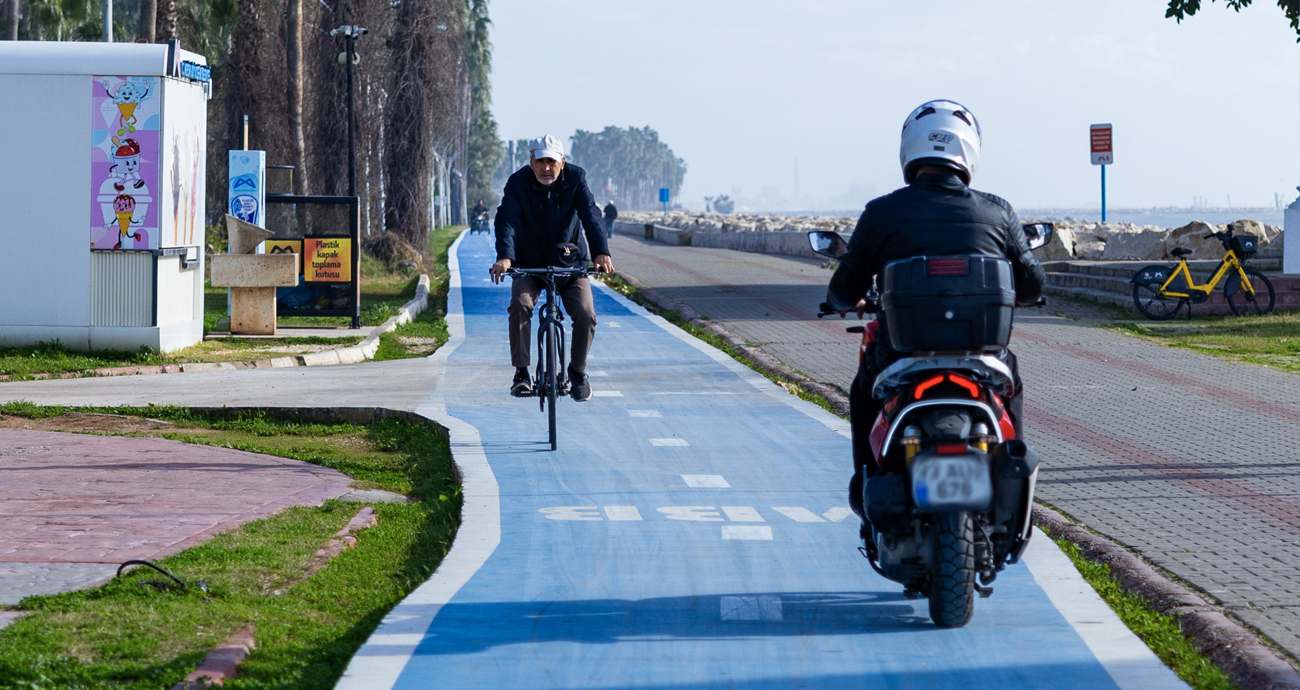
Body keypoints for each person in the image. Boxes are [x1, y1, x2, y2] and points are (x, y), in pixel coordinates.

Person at [823, 100, 1046, 535]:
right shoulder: (997, 211)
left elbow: (843, 290)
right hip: (982, 355)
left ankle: (865, 480)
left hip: (899, 356)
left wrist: (844, 301)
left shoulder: (881, 212)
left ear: (909, 150)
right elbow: (1034, 286)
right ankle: (1012, 469)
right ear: (969, 153)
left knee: (863, 392)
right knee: (1011, 380)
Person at [490, 134, 614, 402]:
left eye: (552, 162)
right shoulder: (518, 183)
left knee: (586, 314)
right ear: (531, 162)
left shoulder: (576, 178)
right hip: (529, 265)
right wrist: (505, 258)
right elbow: (507, 221)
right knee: (520, 305)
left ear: (562, 162)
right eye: (541, 161)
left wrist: (601, 253)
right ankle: (521, 373)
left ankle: (577, 371)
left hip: (570, 264)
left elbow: (591, 215)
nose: (546, 168)